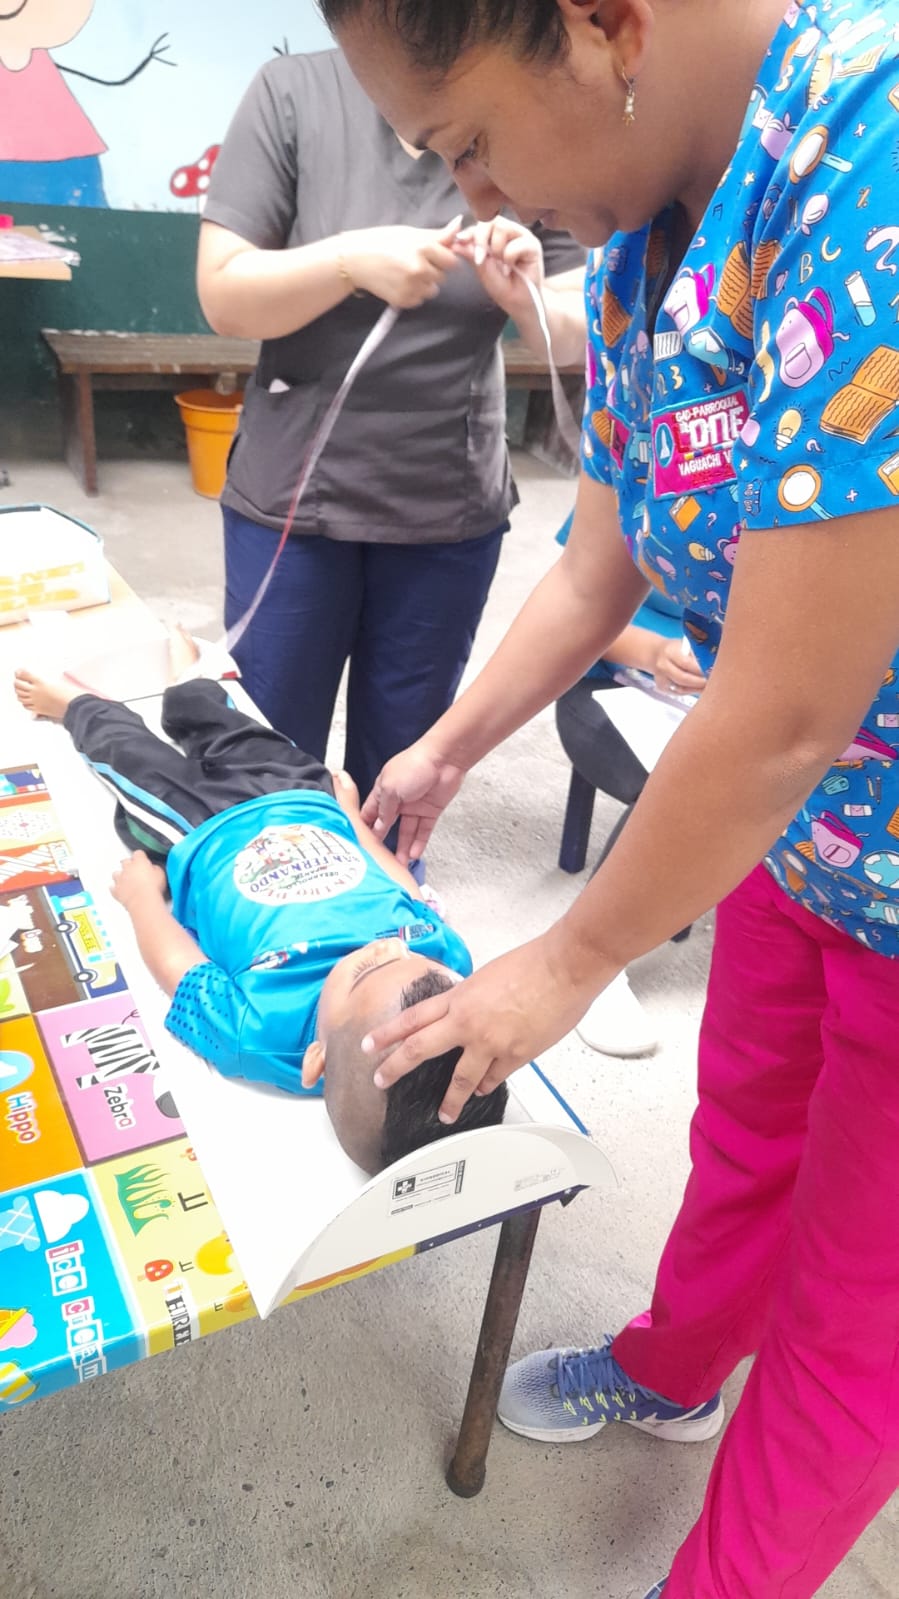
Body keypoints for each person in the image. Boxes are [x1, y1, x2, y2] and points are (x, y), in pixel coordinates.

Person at [314, 3, 899, 1596]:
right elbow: (599, 563)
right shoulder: (644, 232)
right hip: (790, 834)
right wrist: (444, 745)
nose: (472, 197)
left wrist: (569, 958)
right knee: (744, 1132)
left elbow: (784, 706)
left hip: (830, 797)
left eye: (468, 144)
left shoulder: (865, 152)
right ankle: (676, 1360)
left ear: (601, 25)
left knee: (858, 1304)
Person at [196, 46, 586, 824]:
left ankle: (387, 896)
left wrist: (526, 296)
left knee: (403, 764)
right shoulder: (295, 92)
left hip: (446, 510)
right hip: (293, 501)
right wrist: (346, 263)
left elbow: (577, 336)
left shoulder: (533, 97)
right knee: (268, 758)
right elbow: (224, 296)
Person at [12, 659, 506, 1176]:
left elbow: (181, 970)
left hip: (199, 829)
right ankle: (189, 675)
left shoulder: (254, 1034)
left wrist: (141, 901)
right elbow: (402, 889)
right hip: (305, 801)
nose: (387, 946)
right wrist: (349, 818)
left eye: (365, 970)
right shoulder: (450, 970)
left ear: (317, 1058)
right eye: (408, 951)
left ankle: (78, 706)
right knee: (208, 711)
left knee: (125, 754)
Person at [554, 511, 707, 1056]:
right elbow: (570, 608)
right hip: (613, 681)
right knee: (686, 785)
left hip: (727, 696)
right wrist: (653, 654)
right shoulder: (643, 474)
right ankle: (592, 967)